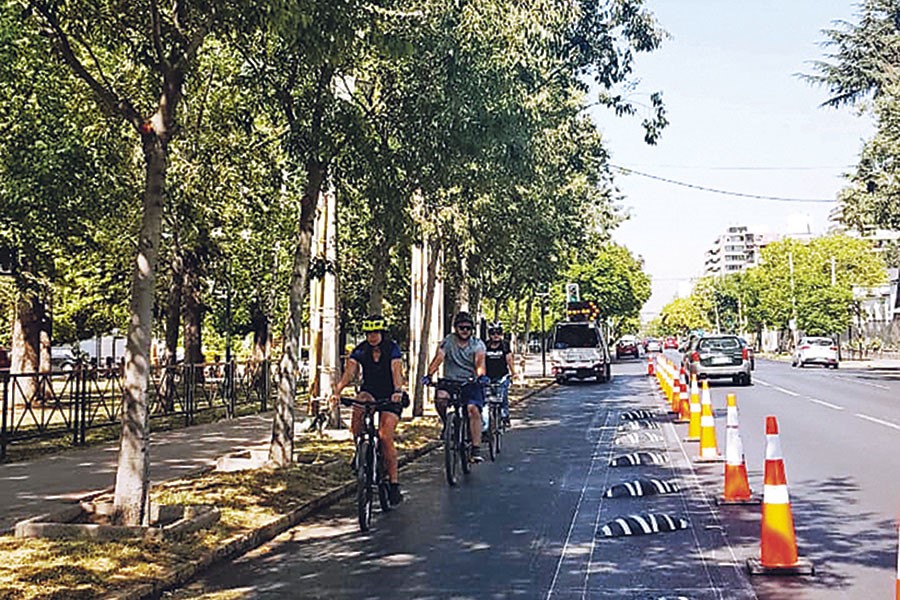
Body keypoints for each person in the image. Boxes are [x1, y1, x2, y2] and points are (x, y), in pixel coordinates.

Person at [331, 315, 406, 505]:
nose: (372, 336)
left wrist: (397, 391)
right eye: (369, 333)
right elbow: (350, 372)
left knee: (384, 436)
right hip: (370, 391)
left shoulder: (392, 349)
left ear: (382, 333)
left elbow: (396, 372)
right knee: (358, 409)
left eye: (375, 332)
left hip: (390, 394)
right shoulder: (361, 350)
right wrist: (337, 392)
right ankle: (361, 449)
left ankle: (394, 483)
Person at [422, 311, 489, 463]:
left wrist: (481, 376)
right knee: (441, 398)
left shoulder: (477, 344)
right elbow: (439, 358)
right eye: (461, 327)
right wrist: (429, 374)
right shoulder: (448, 341)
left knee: (473, 410)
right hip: (450, 381)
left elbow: (479, 363)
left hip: (470, 382)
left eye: (468, 328)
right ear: (455, 328)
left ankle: (475, 448)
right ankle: (447, 423)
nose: (465, 331)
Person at [484, 321, 516, 427]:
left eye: (498, 333)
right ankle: (486, 423)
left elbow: (509, 359)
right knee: (485, 398)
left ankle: (505, 415)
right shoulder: (485, 345)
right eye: (493, 333)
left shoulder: (505, 345)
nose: (496, 335)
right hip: (488, 376)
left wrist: (513, 373)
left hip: (502, 376)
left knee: (503, 396)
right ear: (489, 335)